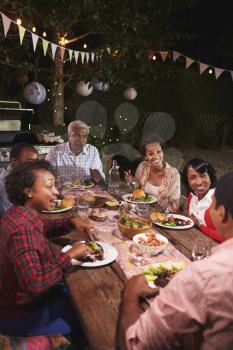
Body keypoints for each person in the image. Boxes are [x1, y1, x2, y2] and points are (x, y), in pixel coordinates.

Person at [118, 171, 233, 350]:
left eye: (213, 206)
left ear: (222, 214)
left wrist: (130, 294)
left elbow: (134, 345)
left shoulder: (204, 277)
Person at [0, 159, 94, 338]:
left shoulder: (18, 214)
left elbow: (46, 227)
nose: (56, 192)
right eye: (49, 186)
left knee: (76, 293)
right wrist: (70, 255)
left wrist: (70, 221)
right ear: (28, 191)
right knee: (88, 315)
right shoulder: (22, 231)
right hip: (21, 315)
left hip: (22, 302)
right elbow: (35, 284)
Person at [124, 139, 180, 212]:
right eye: (151, 154)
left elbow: (174, 205)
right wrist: (131, 181)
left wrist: (156, 213)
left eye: (158, 152)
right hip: (140, 210)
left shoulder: (173, 174)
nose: (156, 156)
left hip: (161, 217)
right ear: (145, 156)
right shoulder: (142, 166)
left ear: (163, 152)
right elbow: (136, 190)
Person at [182, 158, 224, 242]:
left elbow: (226, 236)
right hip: (191, 242)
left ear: (210, 176)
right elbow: (187, 210)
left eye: (202, 176)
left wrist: (200, 226)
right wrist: (184, 212)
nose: (199, 182)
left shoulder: (219, 199)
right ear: (187, 181)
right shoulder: (192, 195)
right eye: (193, 177)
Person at [0, 143, 39, 217]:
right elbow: (11, 214)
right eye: (30, 161)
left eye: (36, 161)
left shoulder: (23, 175)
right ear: (14, 161)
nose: (35, 165)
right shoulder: (5, 183)